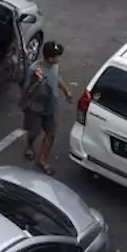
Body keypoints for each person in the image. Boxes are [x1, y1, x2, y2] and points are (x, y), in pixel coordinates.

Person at [23, 41, 73, 175]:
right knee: (34, 131)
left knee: (51, 133)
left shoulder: (54, 66)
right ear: (50, 58)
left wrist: (66, 90)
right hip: (36, 108)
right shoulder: (35, 70)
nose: (59, 59)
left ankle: (42, 159)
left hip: (52, 107)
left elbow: (57, 78)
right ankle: (30, 144)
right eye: (58, 56)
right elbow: (27, 89)